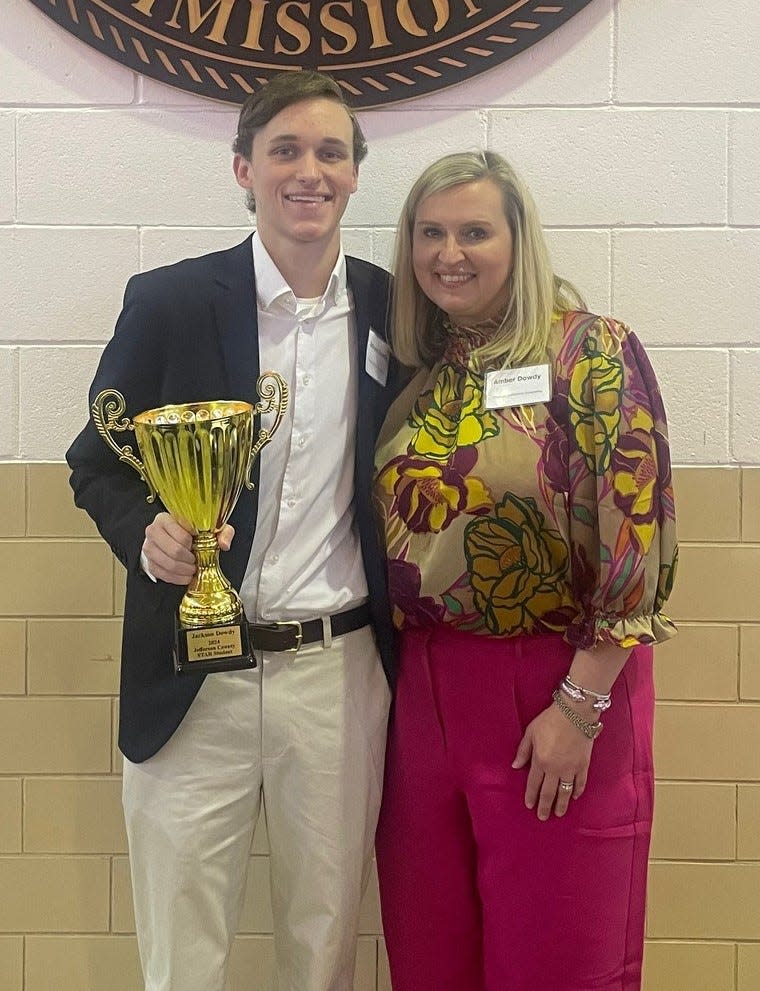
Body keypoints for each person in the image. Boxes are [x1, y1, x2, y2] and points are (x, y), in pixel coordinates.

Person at [66, 69, 399, 991]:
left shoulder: (393, 310)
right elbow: (93, 463)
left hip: (335, 673)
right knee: (182, 950)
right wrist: (147, 536)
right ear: (243, 169)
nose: (309, 170)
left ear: (356, 174)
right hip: (192, 674)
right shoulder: (171, 302)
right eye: (285, 149)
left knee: (322, 942)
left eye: (331, 151)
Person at [372, 151, 678, 991]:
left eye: (475, 231)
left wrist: (579, 708)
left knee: (556, 959)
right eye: (429, 233)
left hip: (557, 683)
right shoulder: (419, 374)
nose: (449, 252)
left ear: (519, 240)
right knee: (430, 958)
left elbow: (636, 534)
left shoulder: (591, 352)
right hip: (425, 691)